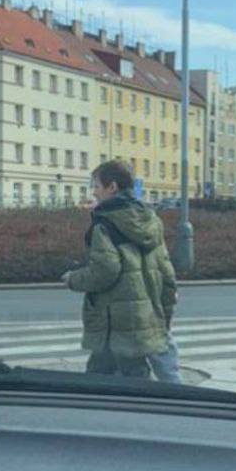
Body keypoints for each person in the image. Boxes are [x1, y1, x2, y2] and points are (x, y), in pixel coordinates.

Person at [62, 160, 177, 378]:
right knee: (118, 372)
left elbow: (105, 271)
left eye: (96, 186)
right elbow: (166, 271)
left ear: (112, 187)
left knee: (112, 377)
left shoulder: (104, 224)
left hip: (115, 320)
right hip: (143, 316)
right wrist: (165, 313)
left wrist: (73, 279)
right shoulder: (151, 220)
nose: (93, 192)